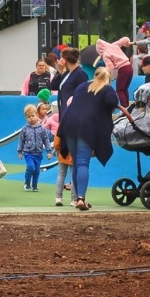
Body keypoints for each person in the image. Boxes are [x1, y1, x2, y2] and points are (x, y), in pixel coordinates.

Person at [57, 67, 120, 211]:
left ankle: (77, 198)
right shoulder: (107, 89)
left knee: (76, 162)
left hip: (69, 124)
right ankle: (81, 199)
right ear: (108, 79)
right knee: (83, 163)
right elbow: (112, 103)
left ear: (95, 75)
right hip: (87, 127)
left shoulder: (82, 86)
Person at [17, 103, 53, 192]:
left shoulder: (41, 129)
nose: (31, 118)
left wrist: (49, 151)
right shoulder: (24, 129)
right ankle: (27, 183)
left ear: (37, 115)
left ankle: (34, 185)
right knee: (31, 167)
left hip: (38, 153)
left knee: (37, 171)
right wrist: (20, 151)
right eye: (28, 117)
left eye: (32, 116)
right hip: (28, 153)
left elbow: (46, 140)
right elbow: (21, 141)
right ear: (26, 118)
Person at [51, 48, 87, 120]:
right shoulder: (67, 73)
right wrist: (59, 71)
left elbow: (83, 94)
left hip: (73, 113)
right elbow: (53, 86)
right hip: (63, 110)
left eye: (61, 58)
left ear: (65, 60)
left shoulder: (80, 74)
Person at [97, 36, 133, 106]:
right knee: (125, 88)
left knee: (119, 90)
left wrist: (109, 78)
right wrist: (127, 42)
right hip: (129, 67)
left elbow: (110, 67)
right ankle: (127, 106)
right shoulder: (114, 45)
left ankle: (124, 107)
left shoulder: (105, 54)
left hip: (123, 69)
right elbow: (123, 40)